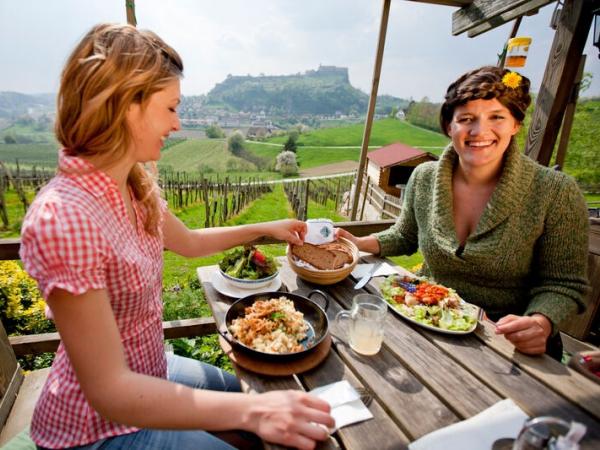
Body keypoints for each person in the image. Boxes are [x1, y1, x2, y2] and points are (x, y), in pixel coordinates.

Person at [19, 23, 334, 450]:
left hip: (150, 369)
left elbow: (189, 242)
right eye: (170, 108)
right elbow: (110, 391)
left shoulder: (131, 183)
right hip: (98, 426)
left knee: (259, 396)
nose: (177, 123)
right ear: (126, 105)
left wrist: (264, 228)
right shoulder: (64, 218)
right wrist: (254, 414)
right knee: (256, 413)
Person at [339, 66, 589, 360]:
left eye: (496, 117)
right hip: (425, 321)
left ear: (516, 124)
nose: (479, 131)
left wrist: (540, 321)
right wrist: (356, 243)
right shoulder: (424, 178)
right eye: (466, 119)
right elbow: (405, 236)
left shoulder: (555, 191)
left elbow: (564, 284)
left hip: (506, 344)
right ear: (449, 127)